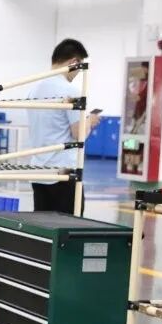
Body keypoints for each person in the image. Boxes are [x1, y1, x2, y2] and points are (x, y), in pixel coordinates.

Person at [27, 38, 99, 214]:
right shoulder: (70, 91)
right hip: (63, 173)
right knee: (69, 227)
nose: (77, 74)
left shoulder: (34, 90)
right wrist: (90, 121)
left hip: (38, 172)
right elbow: (78, 133)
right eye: (79, 69)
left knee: (42, 227)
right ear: (74, 62)